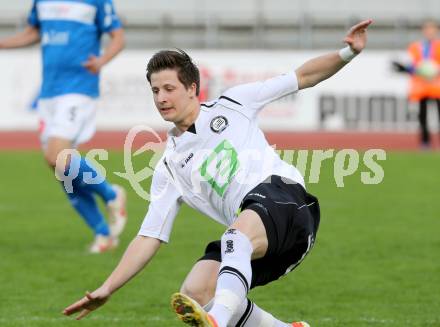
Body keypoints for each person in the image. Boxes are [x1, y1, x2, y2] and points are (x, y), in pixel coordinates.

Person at [63, 19, 372, 326]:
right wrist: (108, 288)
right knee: (196, 290)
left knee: (235, 236)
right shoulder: (169, 166)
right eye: (155, 90)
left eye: (169, 88)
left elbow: (302, 76)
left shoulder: (235, 103)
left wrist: (348, 53)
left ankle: (218, 321)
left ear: (192, 88)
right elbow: (148, 237)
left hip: (288, 204)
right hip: (263, 246)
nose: (161, 98)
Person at [0, 0, 127, 253]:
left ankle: (111, 194)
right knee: (59, 168)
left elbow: (118, 37)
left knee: (57, 157)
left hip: (79, 88)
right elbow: (34, 31)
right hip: (49, 93)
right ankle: (104, 235)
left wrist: (102, 60)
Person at [393, 20, 440, 148]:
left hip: (437, 88)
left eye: (432, 29)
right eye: (427, 29)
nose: (430, 32)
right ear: (423, 31)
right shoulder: (415, 47)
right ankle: (425, 142)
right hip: (421, 88)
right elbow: (411, 66)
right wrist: (406, 68)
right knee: (422, 117)